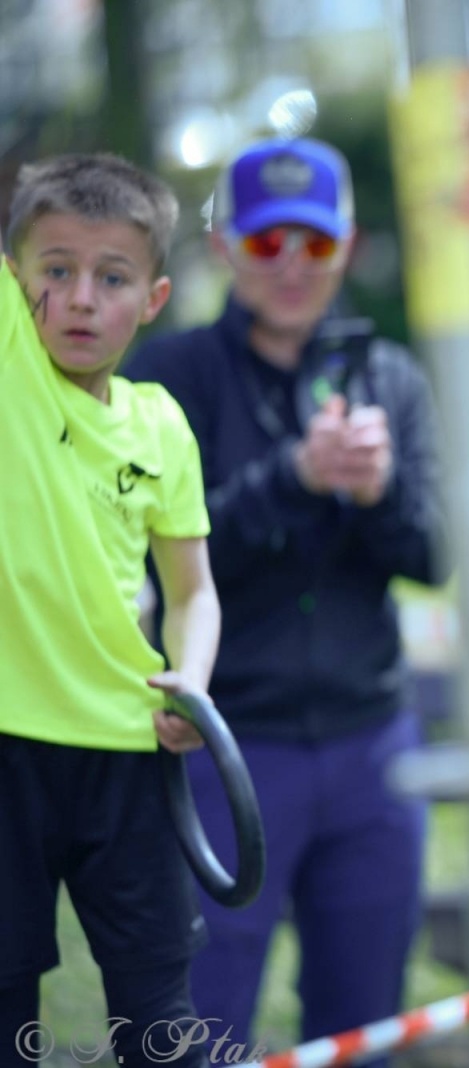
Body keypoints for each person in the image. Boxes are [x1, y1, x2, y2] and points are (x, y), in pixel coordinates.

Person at [123, 137, 445, 1058]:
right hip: (228, 750)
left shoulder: (391, 375)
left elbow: (432, 557)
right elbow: (158, 567)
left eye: (314, 241)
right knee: (202, 1022)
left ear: (348, 242)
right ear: (227, 250)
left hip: (371, 745)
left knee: (363, 1022)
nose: (294, 266)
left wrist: (375, 493)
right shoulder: (170, 380)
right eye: (269, 244)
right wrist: (298, 477)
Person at [0, 154, 219, 1067]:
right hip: (7, 745)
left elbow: (195, 591)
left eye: (112, 277)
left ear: (155, 297)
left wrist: (190, 687)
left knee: (160, 1019)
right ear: (17, 280)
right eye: (56, 271)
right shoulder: (12, 363)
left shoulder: (161, 423)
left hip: (128, 756)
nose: (81, 297)